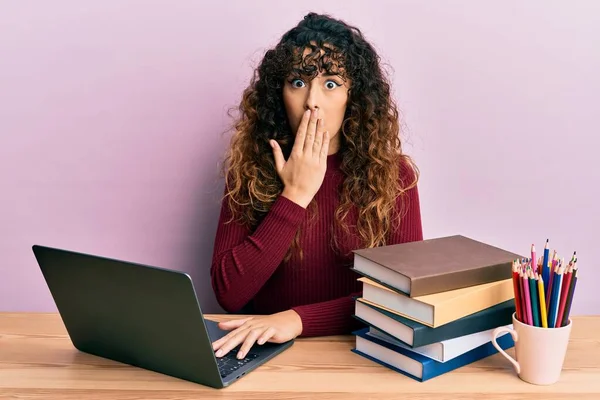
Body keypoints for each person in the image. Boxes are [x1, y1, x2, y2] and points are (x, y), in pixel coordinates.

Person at [210, 12, 423, 360]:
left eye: (330, 83)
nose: (311, 100)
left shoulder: (395, 177)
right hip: (262, 353)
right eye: (297, 81)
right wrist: (295, 195)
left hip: (356, 353)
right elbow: (228, 293)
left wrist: (299, 319)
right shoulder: (251, 168)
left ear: (354, 95)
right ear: (279, 93)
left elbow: (403, 300)